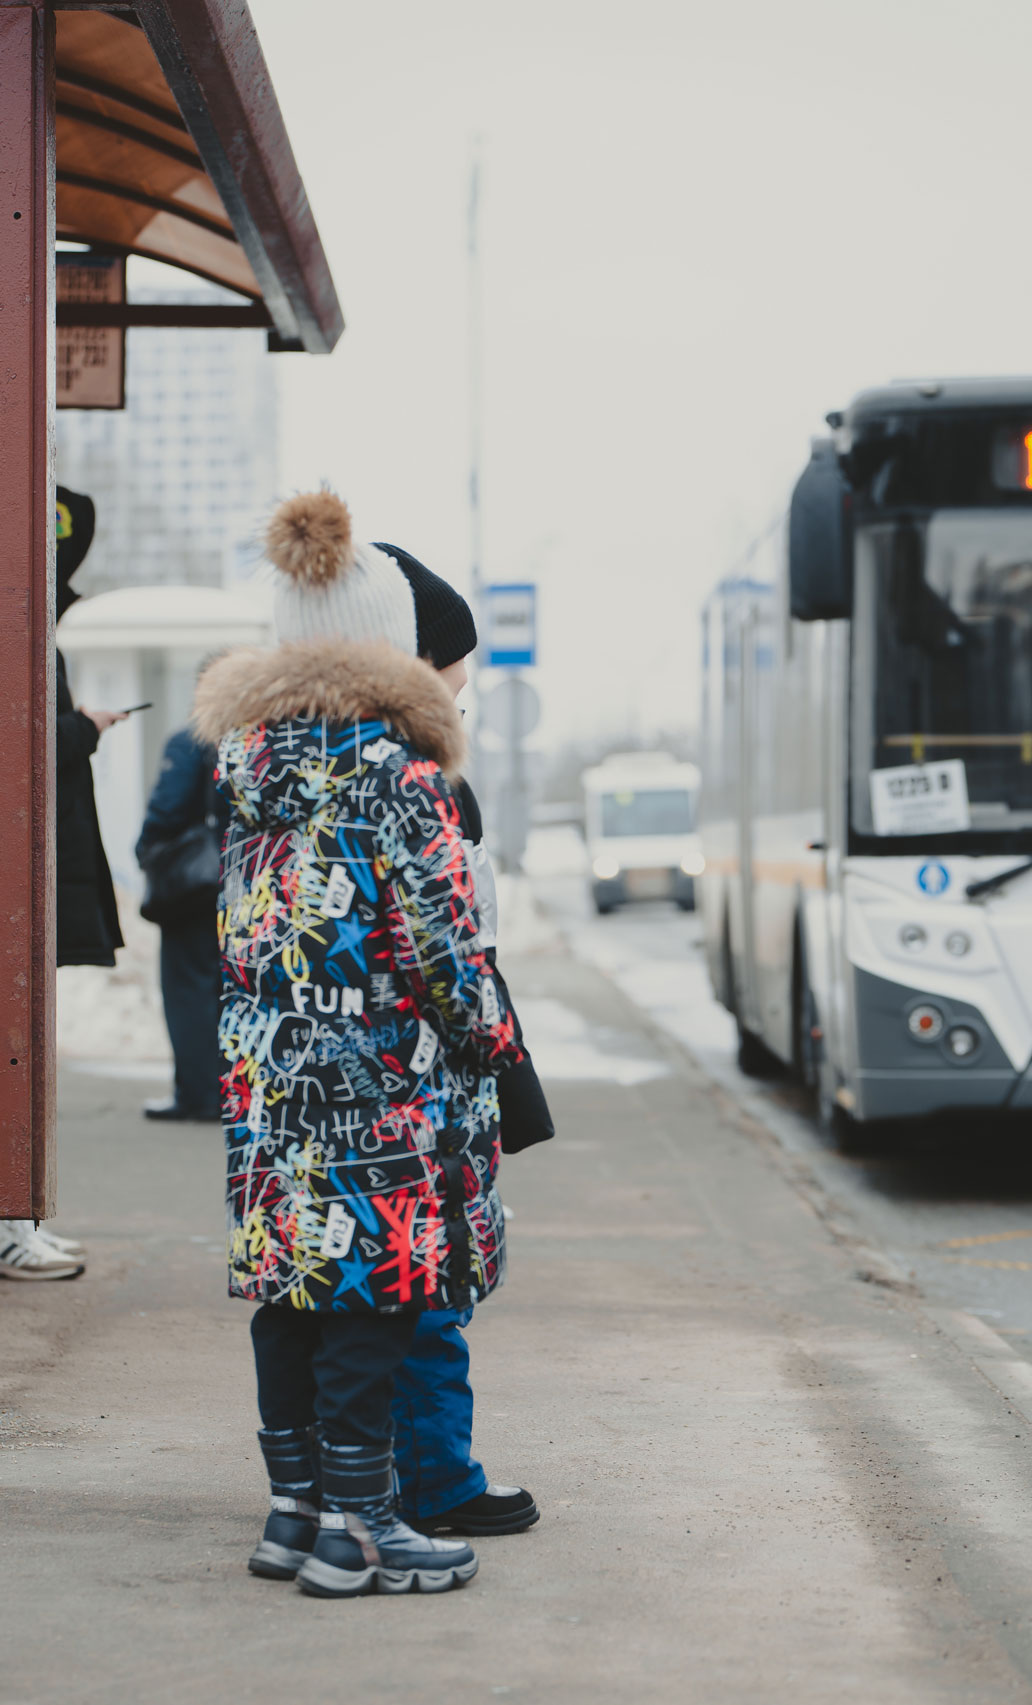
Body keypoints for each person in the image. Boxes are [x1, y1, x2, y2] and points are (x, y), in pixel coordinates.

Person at [193, 490, 527, 1599]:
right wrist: (490, 1039)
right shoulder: (398, 778)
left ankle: (296, 1511)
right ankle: (364, 1524)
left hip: (271, 1087)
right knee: (375, 1296)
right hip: (384, 1093)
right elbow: (444, 955)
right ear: (394, 650)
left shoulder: (245, 772)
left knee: (294, 1287)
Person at [375, 542, 555, 1538]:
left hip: (405, 1091)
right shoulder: (422, 791)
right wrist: (490, 1046)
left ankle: (353, 1478)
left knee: (394, 1300)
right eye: (451, 675)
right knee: (427, 1296)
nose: (461, 695)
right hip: (421, 1092)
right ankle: (435, 1477)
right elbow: (456, 959)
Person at [0, 486, 120, 1282]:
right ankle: (13, 1224)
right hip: (30, 869)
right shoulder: (24, 624)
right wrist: (86, 728)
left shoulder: (35, 620)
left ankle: (19, 1218)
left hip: (44, 863)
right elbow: (29, 737)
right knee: (18, 1048)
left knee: (26, 1047)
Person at [135, 726, 222, 1122]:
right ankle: (230, 1091)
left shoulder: (193, 739)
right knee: (228, 989)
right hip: (250, 886)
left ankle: (200, 1095)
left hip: (195, 885)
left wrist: (147, 848)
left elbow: (167, 806)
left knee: (188, 988)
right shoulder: (268, 737)